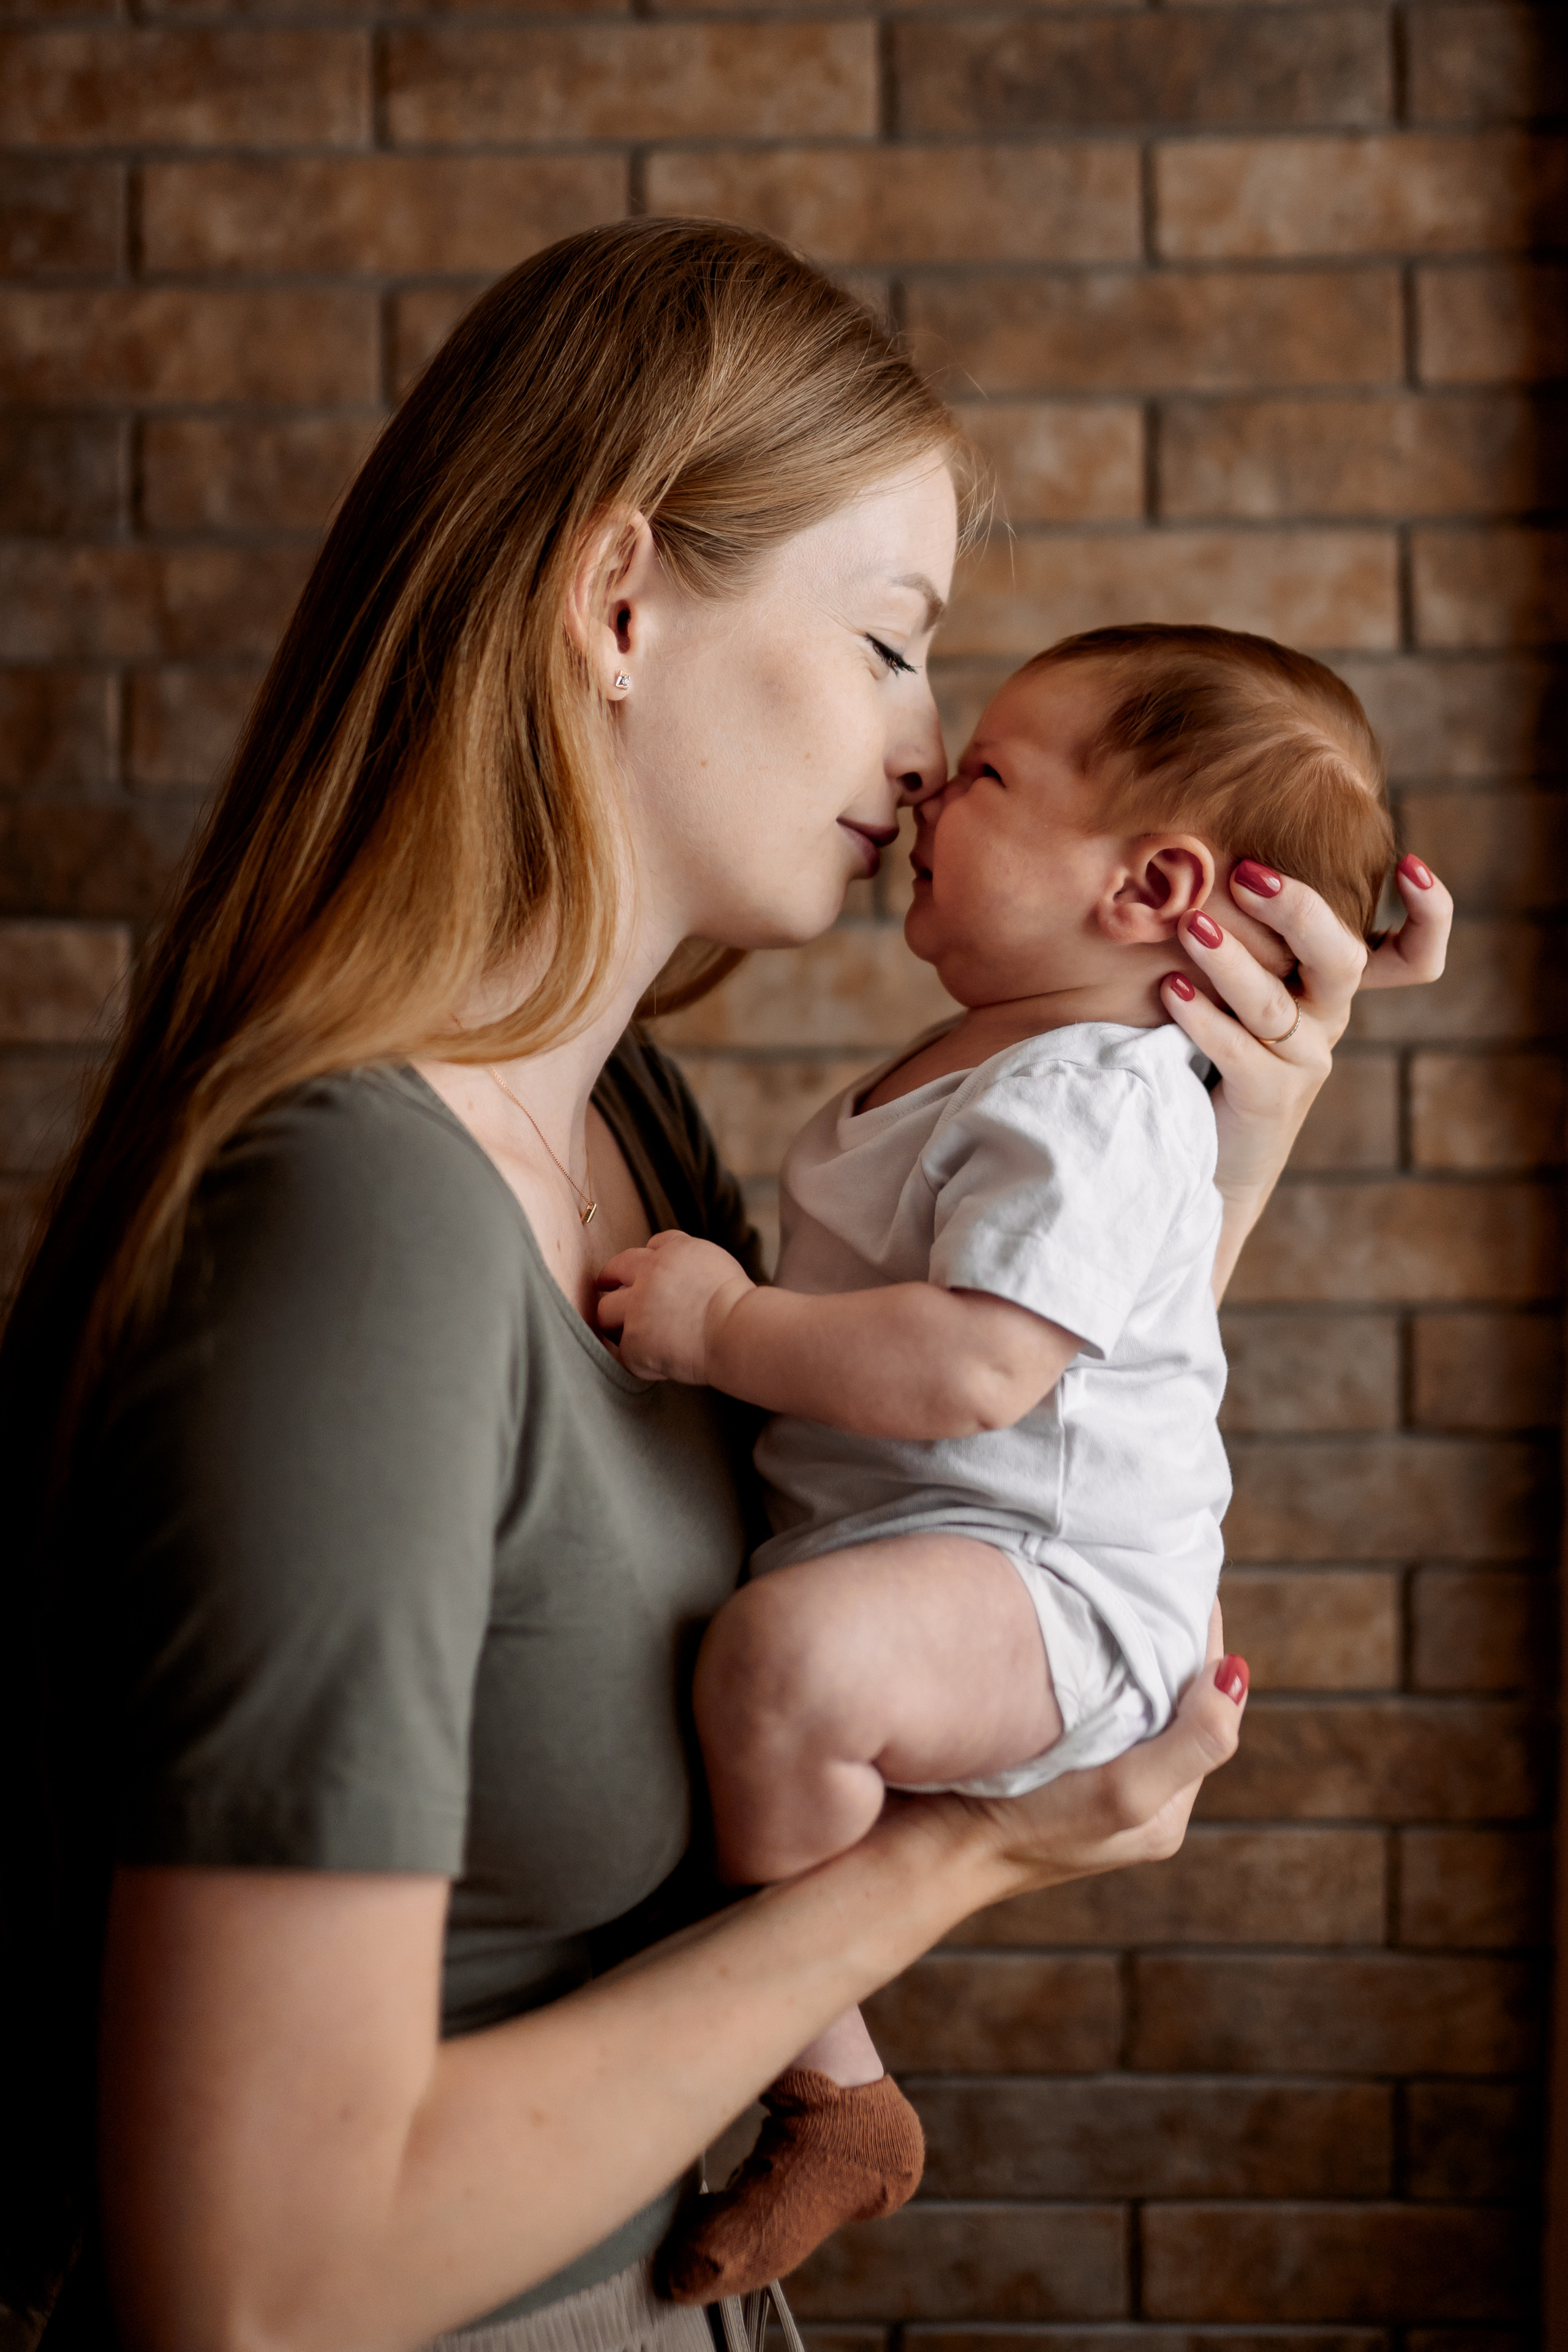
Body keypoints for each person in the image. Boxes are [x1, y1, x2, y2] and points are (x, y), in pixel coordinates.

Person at [0, 221, 1452, 2352]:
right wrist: (958, 1865)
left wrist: (1217, 1138)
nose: (929, 748)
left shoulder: (629, 1137)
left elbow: (1007, 1432)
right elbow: (256, 2288)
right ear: (619, 600)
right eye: (888, 641)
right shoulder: (364, 1227)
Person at [597, 622, 1420, 2299]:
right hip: (970, 1547)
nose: (926, 783)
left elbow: (979, 1366)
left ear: (1150, 885)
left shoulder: (1097, 1094)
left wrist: (723, 1326)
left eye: (985, 772)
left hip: (1062, 1585)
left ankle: (834, 2094)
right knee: (777, 1671)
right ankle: (832, 2086)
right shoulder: (1017, 1060)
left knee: (784, 1668)